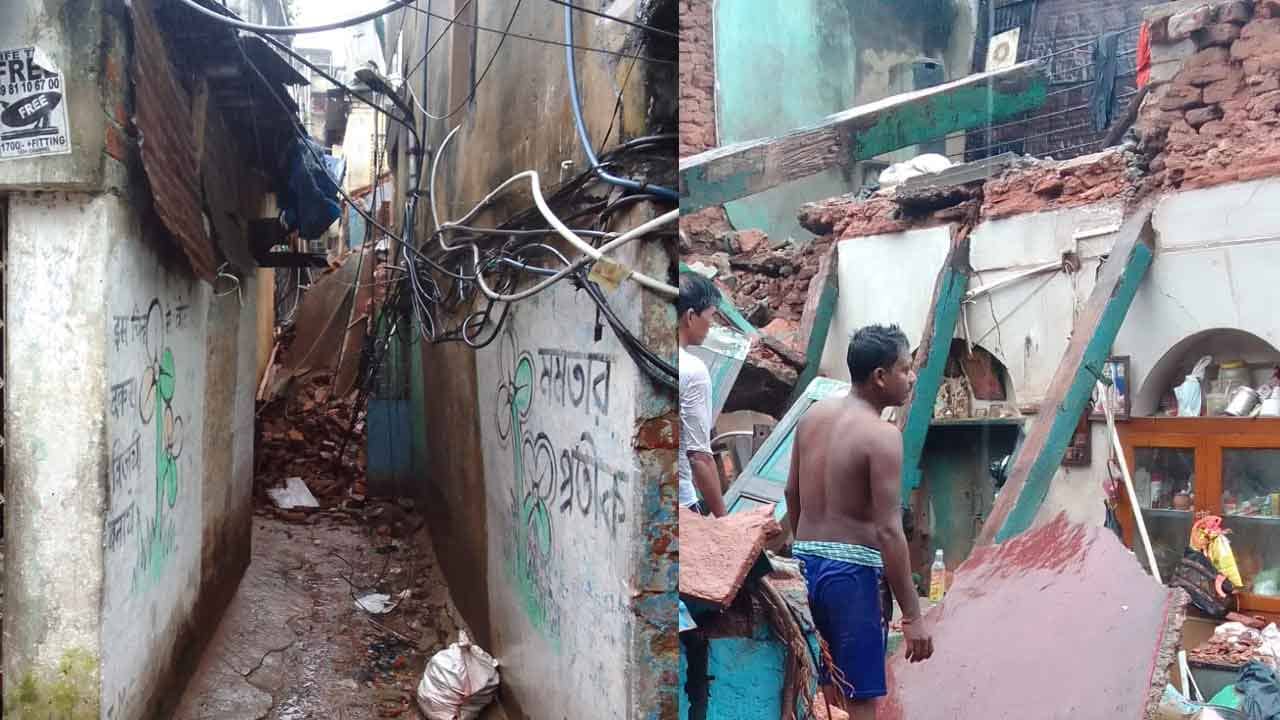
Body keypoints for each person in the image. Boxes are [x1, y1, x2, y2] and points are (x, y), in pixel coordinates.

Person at [784, 324, 933, 716]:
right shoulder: (881, 436)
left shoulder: (813, 417)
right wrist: (913, 615)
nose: (912, 376)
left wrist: (806, 552)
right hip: (852, 576)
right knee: (860, 698)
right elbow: (888, 530)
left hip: (805, 563)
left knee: (818, 690)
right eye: (905, 368)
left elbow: (790, 494)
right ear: (880, 377)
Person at [678, 273, 726, 517]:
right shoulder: (692, 370)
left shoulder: (647, 354)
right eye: (710, 316)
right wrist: (723, 522)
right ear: (690, 316)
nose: (711, 325)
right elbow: (699, 456)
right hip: (681, 504)